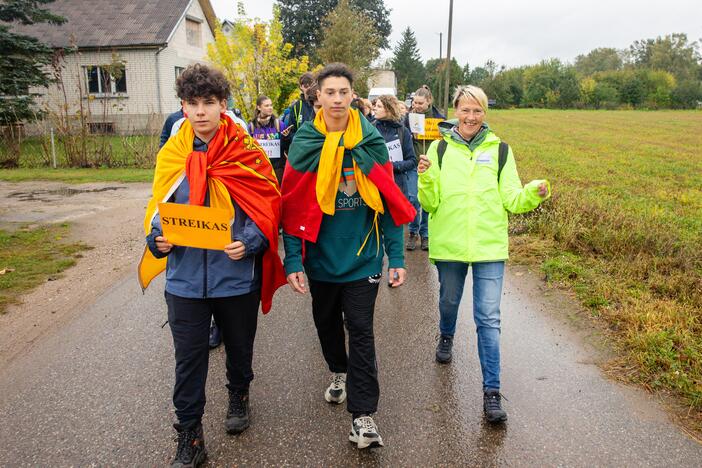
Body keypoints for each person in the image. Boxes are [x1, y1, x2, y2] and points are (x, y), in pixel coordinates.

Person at [138, 64, 286, 467]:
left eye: (209, 103)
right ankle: (190, 435)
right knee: (188, 360)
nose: (200, 111)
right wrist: (158, 238)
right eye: (192, 103)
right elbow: (159, 205)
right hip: (184, 281)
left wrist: (251, 241)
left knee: (239, 348)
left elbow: (267, 204)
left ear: (224, 105)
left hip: (236, 278)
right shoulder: (172, 152)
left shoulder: (246, 151)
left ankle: (239, 392)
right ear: (183, 107)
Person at [281, 63, 415, 449]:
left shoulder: (370, 141)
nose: (337, 99)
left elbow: (389, 202)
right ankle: (337, 371)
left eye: (344, 92)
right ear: (318, 97)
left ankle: (364, 417)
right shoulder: (305, 142)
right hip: (321, 260)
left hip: (363, 260)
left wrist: (397, 258)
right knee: (326, 324)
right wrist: (293, 262)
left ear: (352, 96)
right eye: (330, 92)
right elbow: (291, 208)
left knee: (361, 332)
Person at [417, 85, 550, 424]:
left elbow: (512, 200)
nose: (471, 117)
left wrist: (533, 192)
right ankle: (446, 334)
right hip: (450, 244)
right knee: (448, 301)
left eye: (478, 111)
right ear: (455, 111)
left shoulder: (502, 151)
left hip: (489, 246)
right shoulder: (439, 149)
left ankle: (491, 392)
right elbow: (430, 204)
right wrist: (426, 178)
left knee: (488, 319)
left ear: (484, 114)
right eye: (465, 110)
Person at [404, 86, 445, 251]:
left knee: (427, 200)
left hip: (431, 165)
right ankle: (413, 232)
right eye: (415, 102)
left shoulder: (439, 119)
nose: (417, 105)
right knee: (413, 199)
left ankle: (425, 234)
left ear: (429, 102)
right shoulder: (408, 118)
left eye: (420, 102)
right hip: (414, 163)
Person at [372, 95, 416, 200]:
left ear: (388, 110)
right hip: (375, 185)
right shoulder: (370, 129)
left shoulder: (402, 131)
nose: (374, 108)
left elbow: (412, 161)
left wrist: (392, 166)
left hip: (397, 186)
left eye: (379, 106)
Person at [248, 95, 290, 184]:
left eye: (271, 105)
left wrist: (286, 138)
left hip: (277, 169)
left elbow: (286, 148)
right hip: (260, 170)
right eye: (266, 106)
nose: (270, 108)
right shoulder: (252, 127)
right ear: (259, 107)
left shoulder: (279, 124)